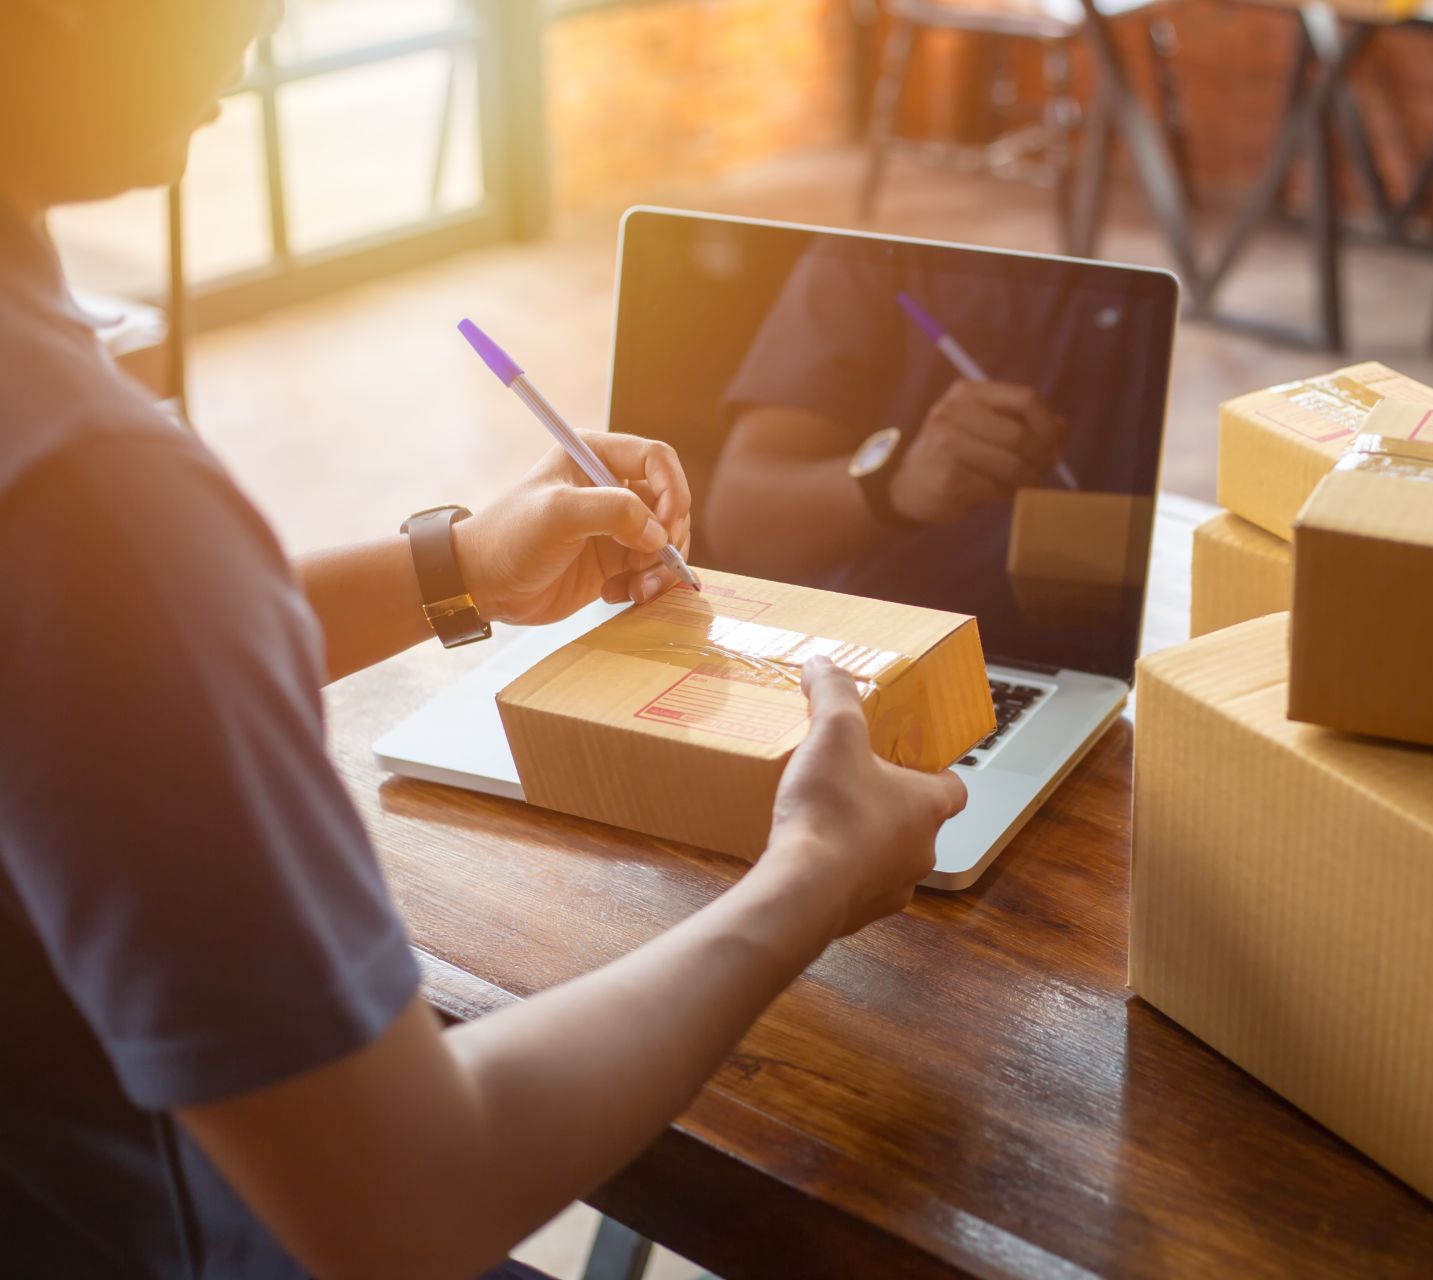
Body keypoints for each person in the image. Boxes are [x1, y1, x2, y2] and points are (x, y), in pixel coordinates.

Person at [0, 3, 966, 1276]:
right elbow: (405, 1198)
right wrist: (807, 881)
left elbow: (86, 667)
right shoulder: (99, 494)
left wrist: (457, 569)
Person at [706, 242, 1167, 670]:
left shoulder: (1162, 291)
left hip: (1113, 665)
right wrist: (895, 487)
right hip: (886, 652)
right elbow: (737, 518)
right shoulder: (874, 251)